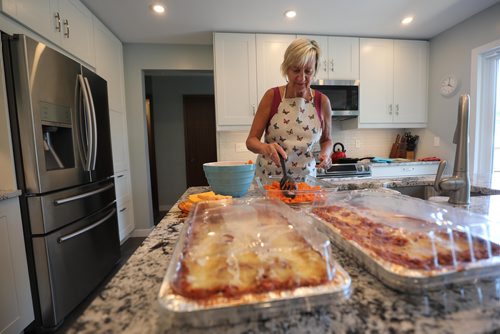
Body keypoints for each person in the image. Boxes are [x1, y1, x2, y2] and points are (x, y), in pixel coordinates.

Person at [246, 38, 333, 179]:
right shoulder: (272, 96)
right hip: (269, 180)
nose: (302, 77)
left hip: (306, 182)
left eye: (308, 71)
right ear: (286, 68)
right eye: (296, 70)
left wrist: (326, 154)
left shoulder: (322, 102)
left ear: (315, 71)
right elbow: (251, 141)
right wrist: (265, 148)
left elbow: (327, 140)